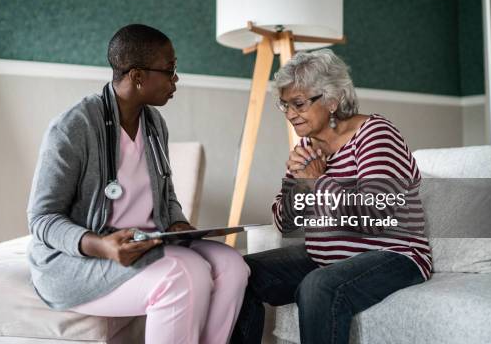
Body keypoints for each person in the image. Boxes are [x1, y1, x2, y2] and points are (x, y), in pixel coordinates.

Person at [26, 24, 249, 344]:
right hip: (81, 260)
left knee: (232, 265)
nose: (176, 80)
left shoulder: (155, 123)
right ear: (138, 76)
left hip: (149, 243)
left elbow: (166, 193)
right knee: (185, 274)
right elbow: (42, 219)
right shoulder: (73, 127)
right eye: (170, 70)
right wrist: (101, 245)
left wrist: (177, 222)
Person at [231, 49, 432, 344]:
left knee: (318, 287)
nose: (289, 114)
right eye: (284, 105)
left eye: (298, 103)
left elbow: (376, 215)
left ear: (332, 100)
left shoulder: (375, 134)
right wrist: (298, 184)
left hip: (396, 256)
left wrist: (317, 182)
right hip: (326, 258)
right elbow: (286, 224)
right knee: (240, 272)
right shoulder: (308, 146)